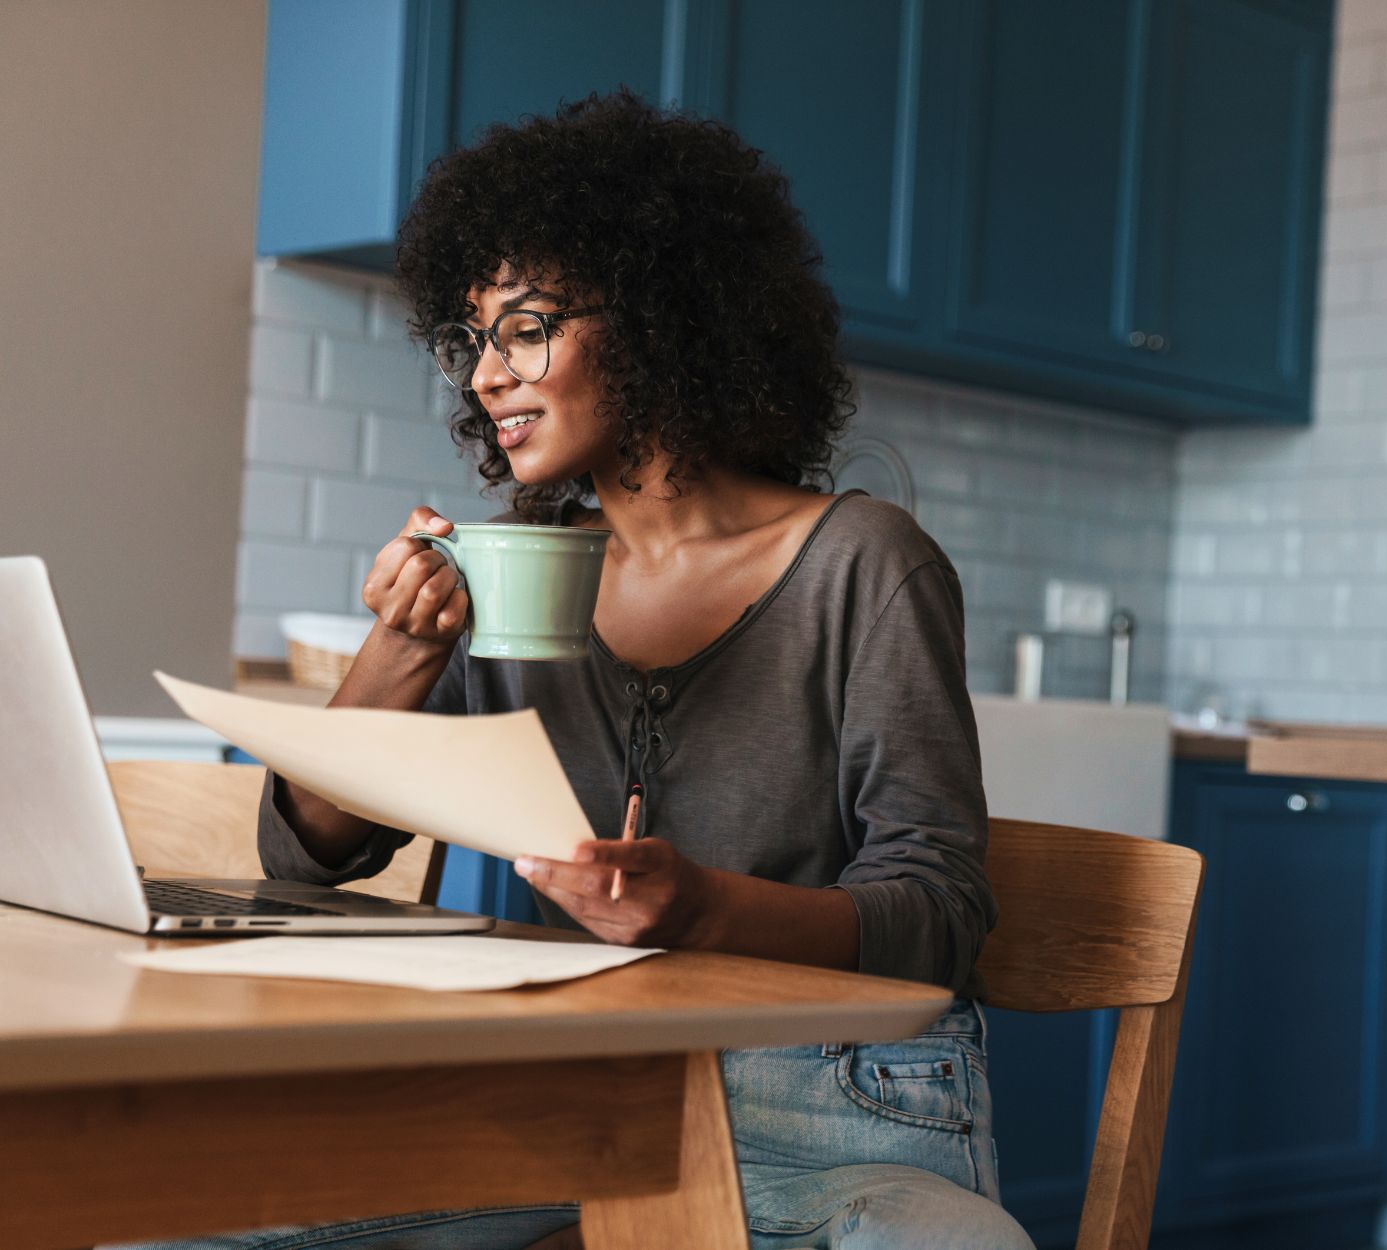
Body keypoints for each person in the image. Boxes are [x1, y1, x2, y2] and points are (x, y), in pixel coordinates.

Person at [122, 93, 1033, 1250]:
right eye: (473, 339)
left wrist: (701, 906)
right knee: (172, 1220)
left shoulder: (867, 563)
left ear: (663, 316)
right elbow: (308, 853)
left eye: (527, 327)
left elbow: (941, 914)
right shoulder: (517, 567)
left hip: (834, 1110)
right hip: (563, 1092)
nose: (485, 376)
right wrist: (400, 654)